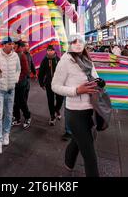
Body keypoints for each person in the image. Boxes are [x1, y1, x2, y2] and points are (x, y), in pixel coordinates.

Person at [52, 34, 101, 177]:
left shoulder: (87, 59)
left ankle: (68, 162)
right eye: (74, 42)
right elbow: (55, 86)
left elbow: (95, 76)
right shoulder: (65, 61)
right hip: (75, 113)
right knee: (90, 155)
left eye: (80, 41)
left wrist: (98, 82)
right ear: (70, 44)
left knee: (78, 140)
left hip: (91, 109)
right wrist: (76, 90)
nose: (78, 44)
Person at [0, 37, 21, 155]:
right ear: (3, 45)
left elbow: (18, 69)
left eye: (13, 44)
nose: (12, 46)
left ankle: (6, 134)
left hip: (11, 89)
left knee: (9, 113)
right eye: (10, 44)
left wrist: (15, 79)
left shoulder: (15, 56)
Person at [38, 45, 63, 126]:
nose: (49, 51)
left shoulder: (58, 60)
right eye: (48, 50)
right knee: (50, 100)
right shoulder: (44, 60)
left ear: (54, 51)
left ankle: (57, 109)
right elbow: (41, 73)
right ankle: (52, 116)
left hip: (59, 84)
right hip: (49, 84)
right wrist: (41, 83)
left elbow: (63, 72)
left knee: (60, 99)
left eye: (51, 50)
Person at [12, 41, 31, 129]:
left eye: (14, 45)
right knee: (15, 101)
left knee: (21, 101)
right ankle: (17, 118)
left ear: (18, 46)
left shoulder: (21, 55)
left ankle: (27, 117)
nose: (13, 46)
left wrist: (18, 79)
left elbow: (26, 70)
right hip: (14, 83)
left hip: (21, 83)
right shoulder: (13, 54)